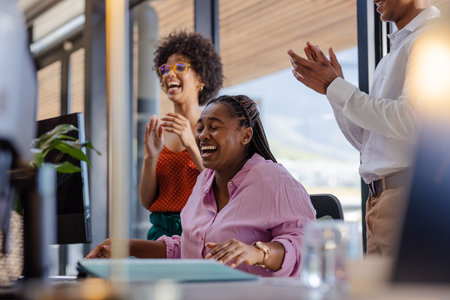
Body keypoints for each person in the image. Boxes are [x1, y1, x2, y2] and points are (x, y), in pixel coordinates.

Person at [87, 95, 316, 277]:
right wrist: (126, 246)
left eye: (214, 127)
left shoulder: (273, 180)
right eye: (200, 128)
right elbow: (188, 250)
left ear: (246, 136)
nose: (203, 136)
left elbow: (306, 247)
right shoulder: (205, 181)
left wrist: (257, 253)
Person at [287, 0, 440, 256]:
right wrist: (333, 90)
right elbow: (366, 142)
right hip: (380, 201)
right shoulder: (393, 54)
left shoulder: (431, 39)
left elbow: (413, 121)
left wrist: (335, 87)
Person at [139, 31, 223, 240]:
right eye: (165, 69)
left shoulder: (213, 128)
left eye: (180, 67)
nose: (169, 74)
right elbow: (147, 201)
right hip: (159, 233)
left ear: (200, 78)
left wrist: (191, 145)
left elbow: (221, 187)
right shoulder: (159, 131)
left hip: (201, 231)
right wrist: (150, 157)